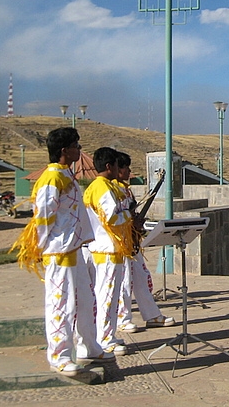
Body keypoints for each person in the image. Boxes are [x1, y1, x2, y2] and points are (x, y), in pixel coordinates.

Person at [11, 127, 108, 377]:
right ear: (64, 150)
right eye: (76, 144)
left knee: (85, 301)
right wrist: (42, 247)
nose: (79, 149)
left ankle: (89, 345)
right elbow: (43, 217)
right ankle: (60, 356)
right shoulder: (51, 179)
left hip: (75, 249)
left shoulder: (67, 175)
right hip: (59, 252)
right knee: (61, 304)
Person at [82, 147, 135, 358]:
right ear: (108, 166)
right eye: (116, 165)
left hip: (105, 249)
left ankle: (106, 335)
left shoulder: (98, 187)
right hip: (108, 249)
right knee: (107, 297)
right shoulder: (102, 188)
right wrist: (130, 218)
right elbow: (111, 218)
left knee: (107, 296)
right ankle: (105, 340)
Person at [114, 151, 175, 332]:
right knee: (124, 282)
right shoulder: (112, 190)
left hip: (132, 241)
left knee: (141, 279)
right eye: (125, 168)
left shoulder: (126, 189)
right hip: (119, 244)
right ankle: (122, 319)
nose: (129, 172)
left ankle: (151, 315)